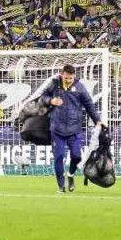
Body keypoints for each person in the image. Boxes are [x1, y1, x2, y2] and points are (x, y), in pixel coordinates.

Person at [41, 64, 104, 193]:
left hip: (74, 128)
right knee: (58, 157)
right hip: (57, 128)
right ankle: (61, 185)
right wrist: (51, 101)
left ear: (74, 76)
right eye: (66, 78)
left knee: (77, 157)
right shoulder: (54, 84)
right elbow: (43, 96)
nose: (68, 80)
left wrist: (97, 120)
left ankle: (70, 174)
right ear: (62, 75)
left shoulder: (80, 87)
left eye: (70, 78)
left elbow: (89, 105)